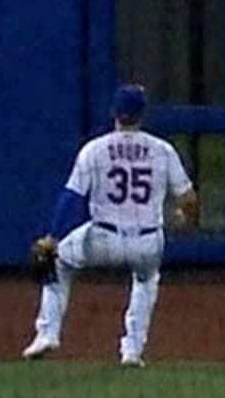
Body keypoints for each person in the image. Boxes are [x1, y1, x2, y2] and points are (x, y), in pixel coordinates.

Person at [24, 83, 197, 368]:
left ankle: (47, 334)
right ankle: (132, 351)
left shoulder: (95, 149)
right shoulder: (161, 150)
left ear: (114, 112)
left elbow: (71, 197)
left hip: (102, 238)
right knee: (146, 281)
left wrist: (52, 237)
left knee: (59, 262)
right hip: (148, 241)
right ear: (142, 114)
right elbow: (188, 199)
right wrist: (185, 220)